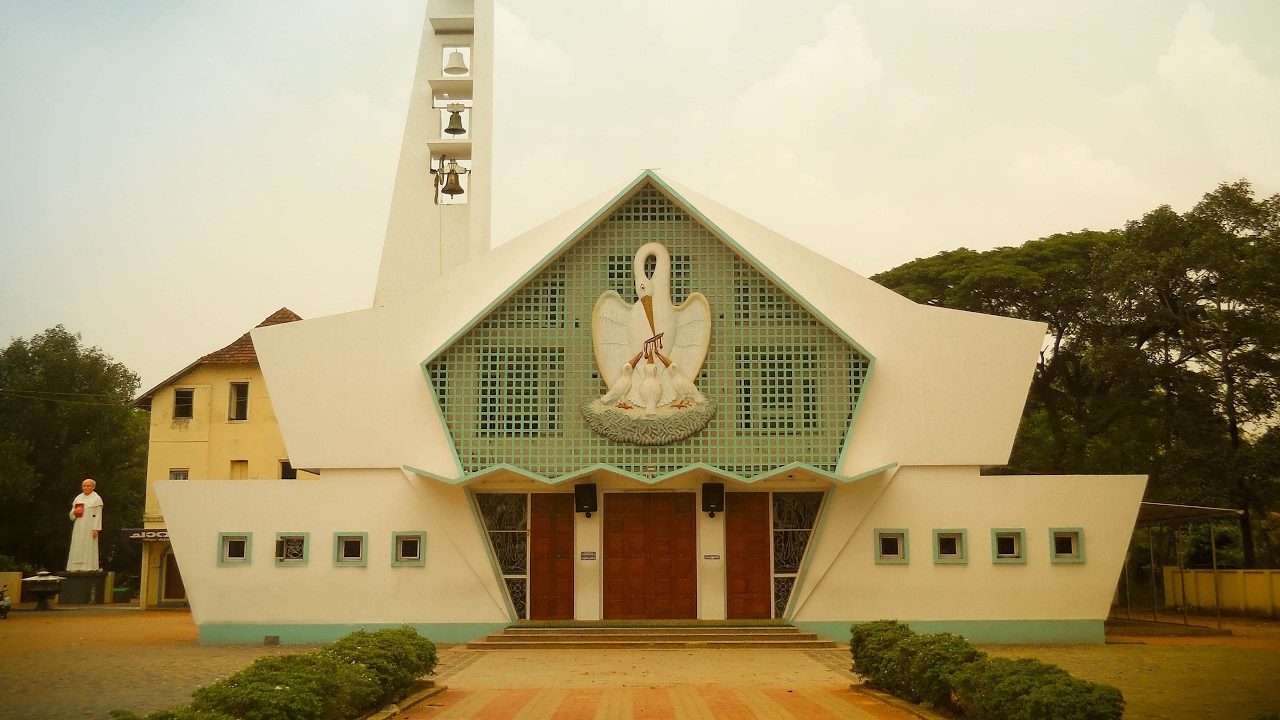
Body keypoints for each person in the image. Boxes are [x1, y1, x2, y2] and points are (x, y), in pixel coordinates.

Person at [66, 479, 103, 572]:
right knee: (77, 544)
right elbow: (72, 515)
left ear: (93, 487)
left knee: (88, 544)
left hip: (90, 526)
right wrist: (74, 512)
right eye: (84, 486)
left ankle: (87, 566)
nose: (86, 488)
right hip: (79, 526)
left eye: (88, 486)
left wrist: (96, 528)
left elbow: (98, 515)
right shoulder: (78, 498)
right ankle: (75, 566)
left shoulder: (96, 499)